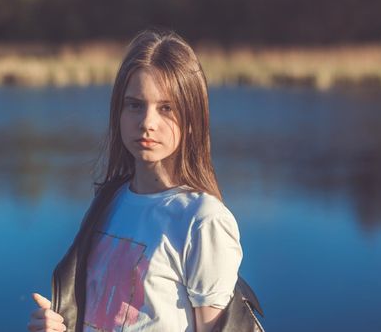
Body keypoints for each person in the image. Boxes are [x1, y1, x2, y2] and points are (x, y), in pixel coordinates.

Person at [27, 28, 243, 332]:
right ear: (119, 111)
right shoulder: (109, 201)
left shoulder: (202, 220)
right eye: (135, 105)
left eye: (166, 108)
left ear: (192, 119)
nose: (147, 123)